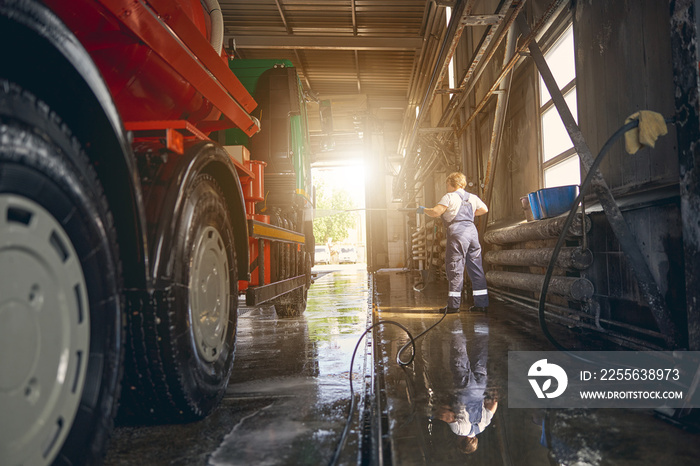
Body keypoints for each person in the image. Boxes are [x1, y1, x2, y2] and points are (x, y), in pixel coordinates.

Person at [417, 172, 489, 313]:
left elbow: (436, 212)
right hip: (472, 232)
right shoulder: (472, 198)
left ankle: (453, 306)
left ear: (451, 184)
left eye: (447, 184)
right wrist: (470, 214)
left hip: (458, 233)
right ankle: (482, 304)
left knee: (455, 269)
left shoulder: (449, 197)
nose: (446, 187)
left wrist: (423, 210)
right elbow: (484, 209)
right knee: (476, 268)